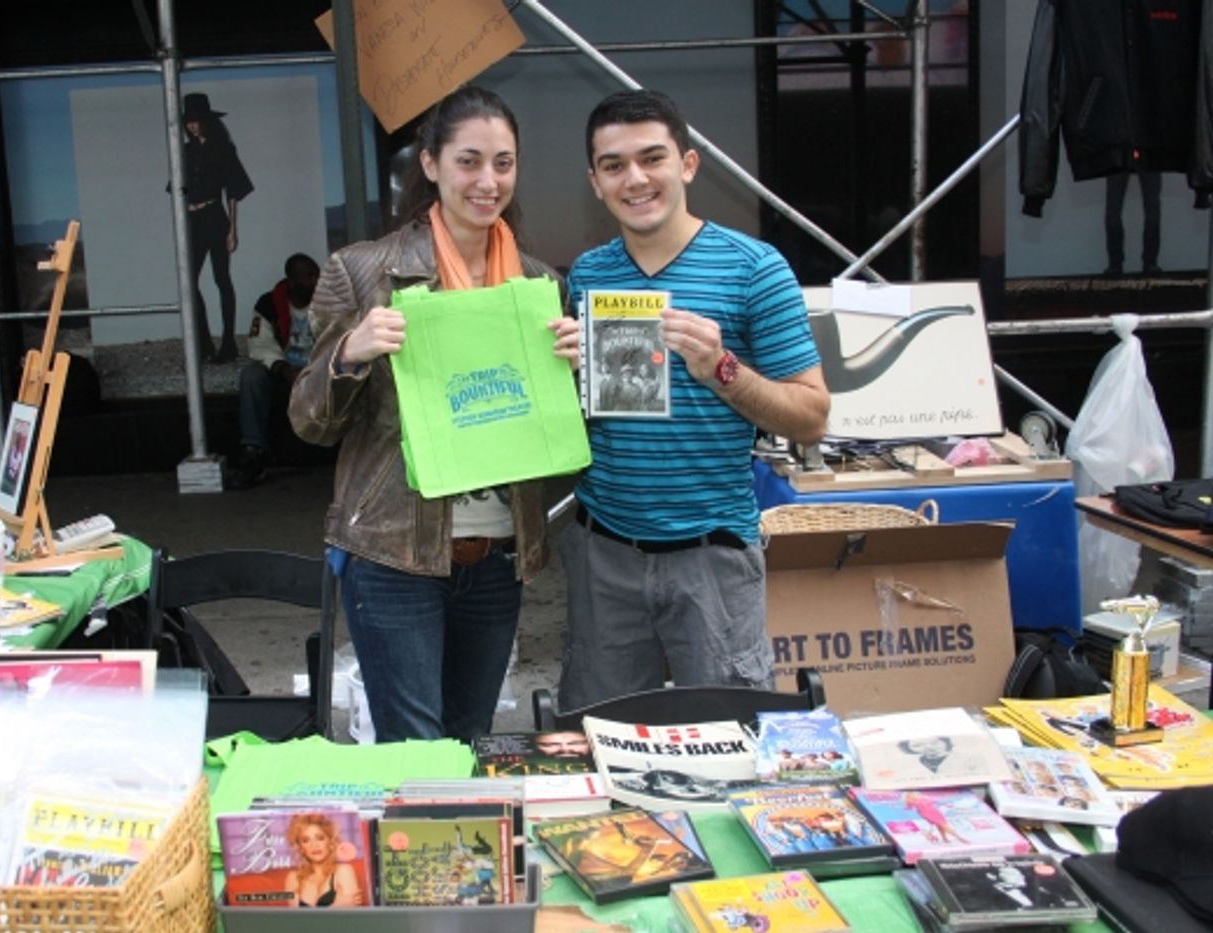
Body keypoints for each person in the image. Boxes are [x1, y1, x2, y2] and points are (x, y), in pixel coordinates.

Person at [288, 86, 579, 742]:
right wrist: (350, 355)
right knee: (416, 751)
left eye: (503, 163)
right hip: (394, 557)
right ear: (430, 165)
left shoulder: (537, 285)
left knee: (470, 738)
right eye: (468, 162)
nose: (487, 181)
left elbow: (549, 432)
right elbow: (308, 421)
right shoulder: (364, 273)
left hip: (498, 556)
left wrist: (574, 371)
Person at [556, 89, 829, 711]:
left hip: (713, 557)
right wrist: (565, 379)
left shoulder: (755, 269)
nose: (636, 178)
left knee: (732, 738)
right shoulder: (588, 276)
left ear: (688, 164)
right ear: (595, 182)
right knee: (601, 739)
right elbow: (587, 420)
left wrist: (721, 368)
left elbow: (812, 419)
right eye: (614, 165)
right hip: (604, 553)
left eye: (652, 158)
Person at [226, 252, 322, 490]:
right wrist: (285, 370)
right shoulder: (269, 304)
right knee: (252, 376)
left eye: (316, 275)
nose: (315, 281)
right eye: (308, 276)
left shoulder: (329, 302)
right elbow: (260, 346)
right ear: (291, 281)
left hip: (322, 371)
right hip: (284, 373)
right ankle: (254, 453)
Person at [181, 92, 253, 363]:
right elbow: (178, 190)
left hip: (215, 216)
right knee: (189, 282)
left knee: (221, 279)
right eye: (189, 121)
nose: (193, 126)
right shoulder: (186, 152)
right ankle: (203, 344)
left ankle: (228, 344)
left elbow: (233, 191)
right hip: (192, 220)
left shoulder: (222, 148)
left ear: (207, 121)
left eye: (197, 120)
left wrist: (233, 230)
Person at [282, 813, 363, 908]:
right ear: (301, 848)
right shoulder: (293, 879)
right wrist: (336, 906)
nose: (314, 845)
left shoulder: (344, 871)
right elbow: (294, 921)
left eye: (320, 838)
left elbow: (350, 919)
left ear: (330, 842)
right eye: (306, 840)